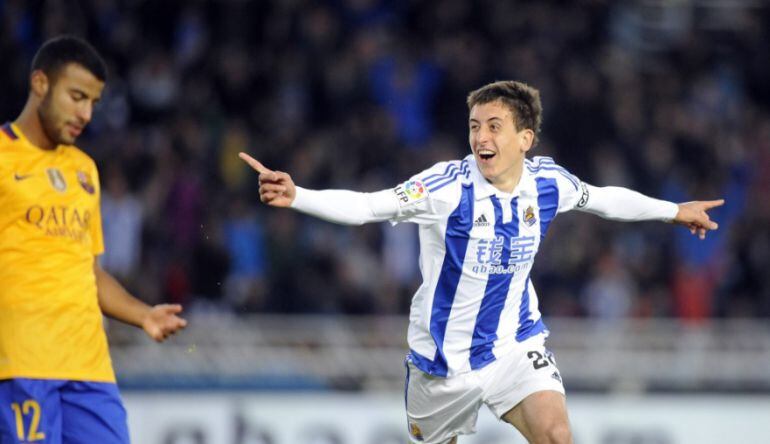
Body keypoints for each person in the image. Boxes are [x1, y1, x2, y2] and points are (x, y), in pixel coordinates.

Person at [239, 80, 723, 444]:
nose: (480, 137)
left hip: (515, 342)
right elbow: (369, 206)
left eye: (494, 126)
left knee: (558, 436)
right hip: (444, 360)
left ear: (525, 139)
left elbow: (603, 199)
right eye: (474, 126)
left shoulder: (548, 183)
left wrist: (674, 211)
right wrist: (298, 194)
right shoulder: (445, 187)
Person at [0, 36, 187, 443]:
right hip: (21, 363)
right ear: (40, 84)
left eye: (94, 103)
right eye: (77, 96)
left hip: (89, 366)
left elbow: (89, 270)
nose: (85, 113)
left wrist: (143, 315)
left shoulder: (84, 170)